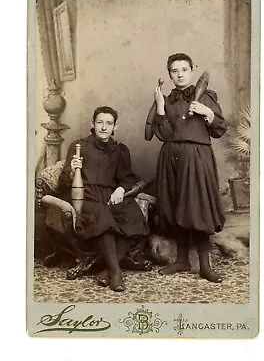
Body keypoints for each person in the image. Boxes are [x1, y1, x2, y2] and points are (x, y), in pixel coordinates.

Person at [150, 53, 227, 283]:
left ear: (192, 70)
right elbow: (162, 134)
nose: (180, 74)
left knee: (198, 208)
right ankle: (182, 261)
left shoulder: (206, 97)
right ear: (170, 74)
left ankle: (205, 266)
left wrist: (208, 113)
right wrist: (161, 107)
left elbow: (219, 129)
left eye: (184, 69)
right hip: (171, 158)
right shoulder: (167, 99)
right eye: (175, 70)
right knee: (175, 209)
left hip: (196, 157)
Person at [58, 106, 150, 292]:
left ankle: (107, 269)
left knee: (133, 215)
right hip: (85, 196)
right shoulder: (79, 146)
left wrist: (121, 189)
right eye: (100, 122)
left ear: (115, 126)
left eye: (109, 123)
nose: (104, 127)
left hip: (110, 195)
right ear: (92, 124)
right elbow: (63, 180)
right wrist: (72, 169)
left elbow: (126, 177)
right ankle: (115, 272)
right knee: (103, 216)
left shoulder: (120, 150)